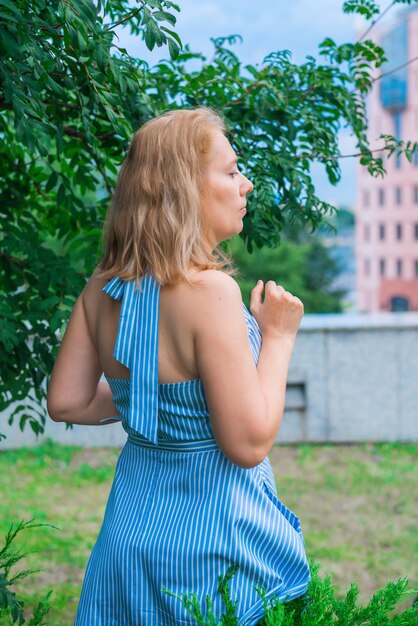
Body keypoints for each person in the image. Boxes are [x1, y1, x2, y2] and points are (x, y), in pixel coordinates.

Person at [47, 107, 310, 625]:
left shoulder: (102, 286)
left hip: (128, 534)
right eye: (232, 170)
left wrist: (150, 406)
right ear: (186, 188)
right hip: (210, 546)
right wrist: (278, 336)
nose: (246, 183)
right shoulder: (210, 291)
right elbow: (248, 443)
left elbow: (67, 402)